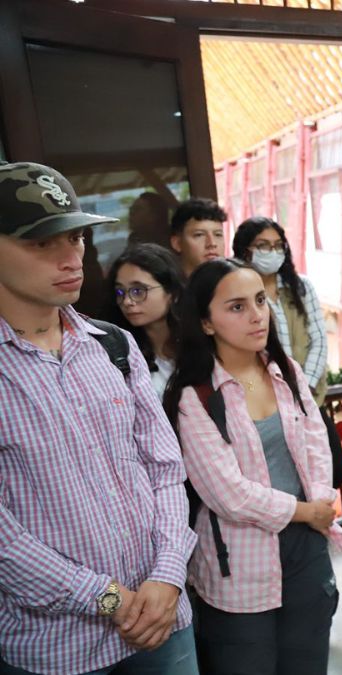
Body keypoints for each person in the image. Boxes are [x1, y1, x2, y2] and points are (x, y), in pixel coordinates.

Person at [0, 162, 199, 674]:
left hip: (165, 623)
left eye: (78, 237)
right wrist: (107, 599)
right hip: (58, 648)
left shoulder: (112, 345)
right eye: (42, 243)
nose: (72, 258)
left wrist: (169, 574)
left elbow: (164, 470)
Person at [163, 258, 342, 674]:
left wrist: (320, 500)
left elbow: (315, 439)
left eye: (260, 301)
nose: (256, 316)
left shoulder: (284, 369)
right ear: (206, 323)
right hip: (239, 556)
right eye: (236, 307)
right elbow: (226, 493)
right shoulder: (195, 397)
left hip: (305, 546)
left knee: (308, 660)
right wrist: (305, 511)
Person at [232, 216, 329, 405]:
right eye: (264, 246)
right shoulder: (237, 295)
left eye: (278, 246)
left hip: (310, 397)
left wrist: (305, 386)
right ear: (245, 251)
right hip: (266, 400)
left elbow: (319, 341)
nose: (273, 252)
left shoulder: (301, 287)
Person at [107, 243, 186, 398]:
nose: (127, 301)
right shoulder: (118, 353)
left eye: (138, 291)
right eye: (120, 292)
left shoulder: (201, 345)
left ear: (172, 293)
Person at [170, 198, 227, 278]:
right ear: (177, 243)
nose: (212, 243)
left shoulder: (236, 284)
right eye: (199, 235)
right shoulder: (166, 288)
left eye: (218, 234)